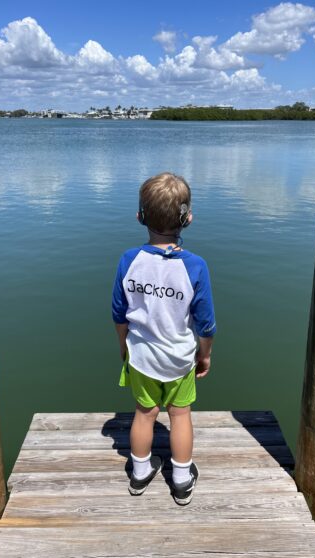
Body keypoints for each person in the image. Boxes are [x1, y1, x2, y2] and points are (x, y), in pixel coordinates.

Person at [112, 172, 216, 505]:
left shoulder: (129, 261)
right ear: (188, 219)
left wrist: (123, 348)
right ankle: (182, 480)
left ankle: (140, 473)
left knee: (144, 412)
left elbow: (118, 314)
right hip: (179, 358)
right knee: (180, 414)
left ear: (140, 216)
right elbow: (207, 324)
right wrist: (206, 355)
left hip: (141, 356)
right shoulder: (195, 266)